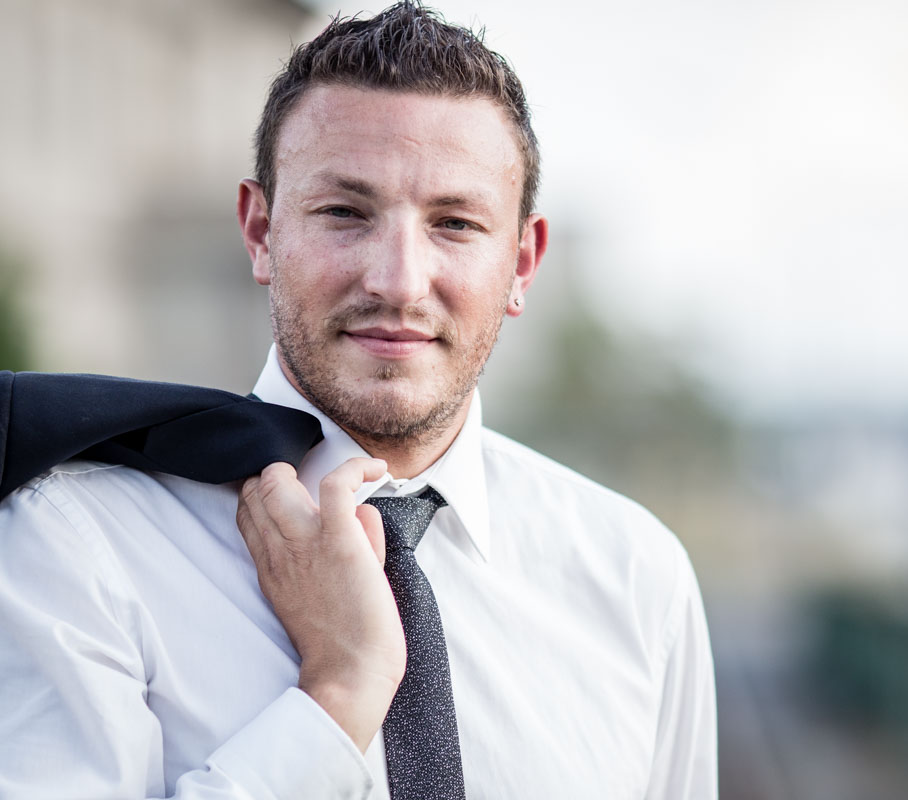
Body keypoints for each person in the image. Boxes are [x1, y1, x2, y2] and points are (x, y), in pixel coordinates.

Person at [0, 3, 717, 799]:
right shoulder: (73, 548)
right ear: (260, 231)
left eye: (455, 223)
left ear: (522, 263)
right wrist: (341, 692)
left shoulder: (637, 579)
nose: (398, 281)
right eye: (344, 213)